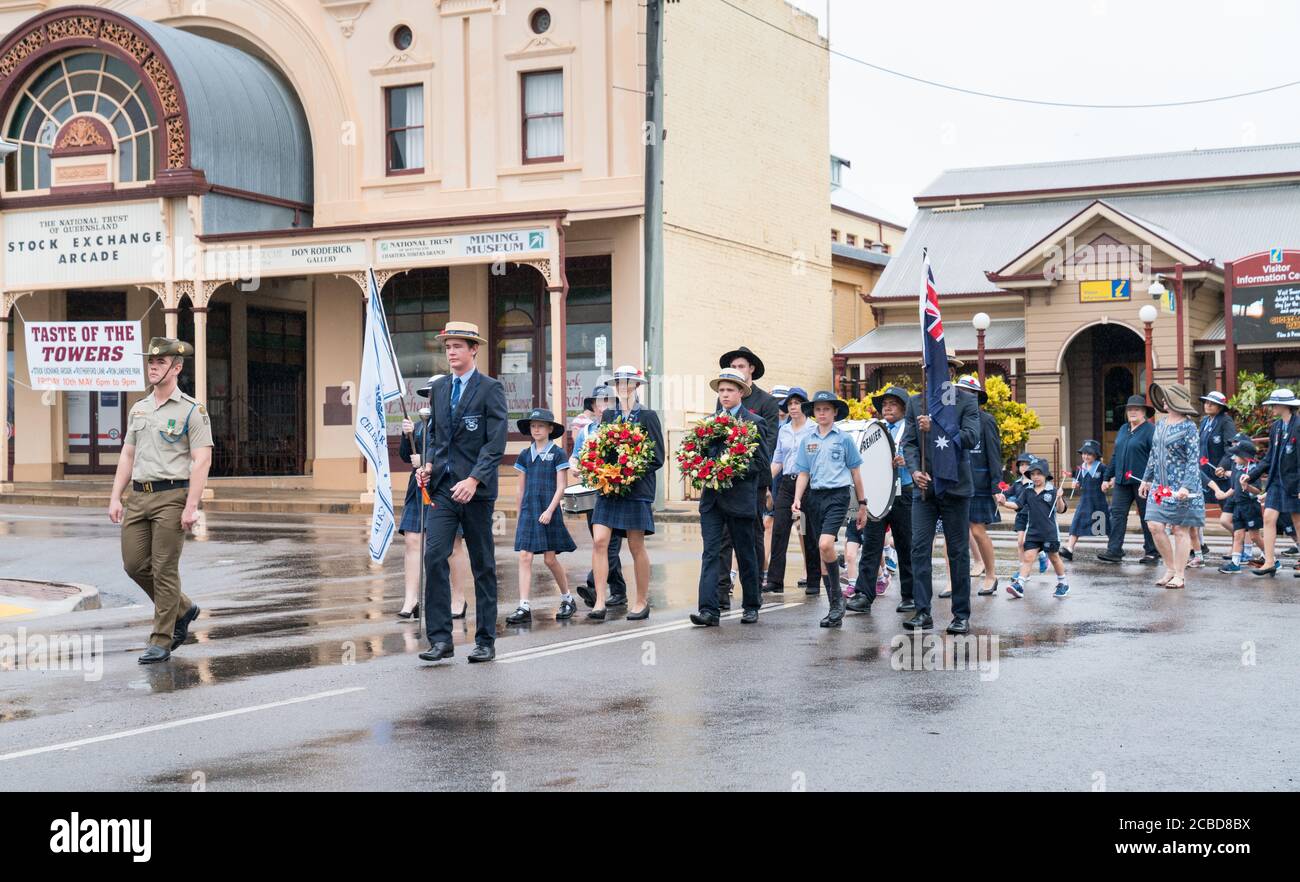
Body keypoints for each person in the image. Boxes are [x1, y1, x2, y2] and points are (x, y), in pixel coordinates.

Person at [109, 337, 213, 664]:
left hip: (172, 496)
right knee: (134, 564)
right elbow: (128, 454)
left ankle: (161, 639)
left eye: (160, 363)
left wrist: (191, 506)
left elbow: (202, 460)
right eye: (150, 363)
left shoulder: (192, 410)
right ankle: (183, 609)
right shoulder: (139, 408)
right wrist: (116, 496)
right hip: (139, 497)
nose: (153, 367)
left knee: (164, 568)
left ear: (176, 367)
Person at [415, 321, 508, 664]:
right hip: (442, 490)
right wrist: (427, 465)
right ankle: (441, 640)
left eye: (458, 346)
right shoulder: (439, 389)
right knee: (434, 556)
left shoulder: (490, 389)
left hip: (476, 493)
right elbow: (436, 438)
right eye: (447, 346)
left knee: (482, 564)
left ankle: (485, 640)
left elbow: (495, 443)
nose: (451, 352)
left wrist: (474, 480)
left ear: (473, 350)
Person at [899, 359, 982, 634]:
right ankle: (923, 612)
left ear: (952, 372)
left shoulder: (966, 401)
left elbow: (971, 437)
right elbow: (909, 443)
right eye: (930, 367)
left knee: (957, 552)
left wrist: (935, 427)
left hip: (955, 487)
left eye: (943, 367)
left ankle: (960, 615)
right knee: (919, 549)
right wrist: (913, 471)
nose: (934, 372)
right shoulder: (915, 403)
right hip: (924, 489)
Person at [691, 369, 771, 626]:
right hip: (712, 500)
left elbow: (761, 463)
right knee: (711, 553)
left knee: (746, 552)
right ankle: (708, 610)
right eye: (721, 390)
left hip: (741, 499)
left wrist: (730, 468)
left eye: (729, 390)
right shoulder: (708, 423)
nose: (724, 395)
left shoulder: (754, 422)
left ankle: (751, 605)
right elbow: (697, 455)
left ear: (740, 393)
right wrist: (701, 467)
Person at [588, 365, 665, 621]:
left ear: (637, 386)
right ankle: (599, 601)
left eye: (628, 382)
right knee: (600, 540)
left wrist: (629, 472)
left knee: (635, 545)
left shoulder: (648, 416)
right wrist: (599, 468)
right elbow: (600, 449)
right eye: (619, 382)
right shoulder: (608, 415)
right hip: (609, 488)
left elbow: (657, 457)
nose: (623, 386)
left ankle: (641, 601)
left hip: (636, 489)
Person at [790, 390, 868, 627]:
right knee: (822, 551)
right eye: (818, 409)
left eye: (826, 409)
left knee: (826, 544)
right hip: (814, 497)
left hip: (838, 496)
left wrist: (862, 504)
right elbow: (803, 472)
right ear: (813, 413)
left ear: (835, 412)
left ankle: (837, 600)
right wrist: (797, 499)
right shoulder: (808, 440)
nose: (822, 413)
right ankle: (835, 606)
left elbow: (855, 472)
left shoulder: (843, 439)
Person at [714, 346, 780, 610]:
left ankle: (753, 593)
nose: (737, 370)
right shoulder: (722, 402)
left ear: (751, 369)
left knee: (751, 538)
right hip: (724, 482)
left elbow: (769, 443)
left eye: (741, 366)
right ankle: (720, 594)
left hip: (754, 481)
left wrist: (759, 479)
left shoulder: (766, 402)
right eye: (733, 366)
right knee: (722, 538)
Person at [846, 385, 915, 614]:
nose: (887, 407)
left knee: (906, 544)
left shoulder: (911, 429)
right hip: (878, 493)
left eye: (893, 403)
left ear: (904, 408)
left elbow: (922, 455)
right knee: (872, 544)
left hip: (904, 491)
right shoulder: (875, 429)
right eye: (884, 404)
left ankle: (910, 595)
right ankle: (864, 595)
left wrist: (908, 461)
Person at [507, 408, 578, 624]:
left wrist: (549, 510)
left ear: (550, 429)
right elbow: (521, 489)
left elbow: (561, 487)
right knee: (525, 556)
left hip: (549, 511)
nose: (536, 429)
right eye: (533, 426)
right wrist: (520, 516)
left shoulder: (557, 453)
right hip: (529, 511)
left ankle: (567, 598)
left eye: (540, 425)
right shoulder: (524, 455)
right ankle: (524, 606)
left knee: (549, 559)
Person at [1140, 383, 1206, 590]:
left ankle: (1180, 574)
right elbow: (1153, 455)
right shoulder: (1160, 424)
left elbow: (1193, 460)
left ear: (1175, 402)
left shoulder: (1189, 427)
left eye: (1166, 398)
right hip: (1160, 485)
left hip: (1182, 487)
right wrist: (1145, 479)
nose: (1162, 401)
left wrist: (1186, 486)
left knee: (1180, 530)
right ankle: (1169, 568)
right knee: (1154, 525)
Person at [570, 384, 627, 607]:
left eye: (608, 401)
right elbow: (575, 457)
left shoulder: (621, 429)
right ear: (592, 406)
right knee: (600, 543)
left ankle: (593, 584)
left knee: (608, 544)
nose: (603, 406)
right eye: (599, 402)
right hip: (591, 493)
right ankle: (619, 591)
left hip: (615, 493)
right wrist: (575, 466)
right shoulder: (586, 431)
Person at [764, 387, 818, 595]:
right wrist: (765, 482)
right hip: (787, 483)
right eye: (790, 404)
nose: (793, 407)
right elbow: (778, 460)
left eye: (797, 403)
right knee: (779, 530)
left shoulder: (814, 429)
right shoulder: (784, 430)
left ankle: (813, 580)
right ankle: (775, 581)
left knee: (808, 531)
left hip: (809, 484)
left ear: (805, 406)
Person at [1243, 388, 1300, 577]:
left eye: (1274, 403)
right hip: (1276, 480)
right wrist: (1250, 475)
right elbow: (1268, 459)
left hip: (1294, 482)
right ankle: (1269, 561)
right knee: (1268, 517)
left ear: (1286, 405)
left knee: (1298, 522)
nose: (1272, 407)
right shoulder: (1276, 427)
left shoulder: (1298, 425)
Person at [1097, 394, 1159, 565]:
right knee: (1117, 515)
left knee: (1147, 517)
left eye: (1136, 409)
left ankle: (1152, 552)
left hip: (1143, 482)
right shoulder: (1124, 429)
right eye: (1129, 409)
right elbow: (1116, 455)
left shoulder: (1150, 430)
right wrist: (1107, 476)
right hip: (1122, 482)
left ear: (1144, 412)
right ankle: (1114, 550)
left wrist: (1150, 478)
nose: (1132, 412)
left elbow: (1156, 457)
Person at [956, 375, 1002, 596]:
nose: (965, 396)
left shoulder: (986, 420)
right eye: (961, 392)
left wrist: (996, 485)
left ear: (977, 397)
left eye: (969, 393)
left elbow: (994, 454)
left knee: (977, 529)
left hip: (980, 482)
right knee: (956, 531)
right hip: (956, 480)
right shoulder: (953, 419)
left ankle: (991, 574)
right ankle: (960, 576)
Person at [1002, 458, 1070, 598]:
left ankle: (1063, 583)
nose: (1035, 477)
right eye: (1032, 474)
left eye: (1039, 474)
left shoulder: (1053, 491)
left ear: (1045, 475)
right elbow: (1017, 505)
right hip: (1033, 532)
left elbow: (1061, 509)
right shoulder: (1027, 491)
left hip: (1049, 533)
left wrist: (1059, 498)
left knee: (1054, 558)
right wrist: (1004, 503)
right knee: (1028, 557)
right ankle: (1019, 585)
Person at [396, 381, 434, 620]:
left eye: (436, 393)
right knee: (412, 541)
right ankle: (411, 600)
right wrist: (406, 435)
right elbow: (405, 456)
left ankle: (454, 600)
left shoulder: (451, 423)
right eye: (429, 395)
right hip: (417, 486)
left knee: (445, 547)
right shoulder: (421, 426)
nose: (432, 398)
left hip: (442, 486)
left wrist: (429, 461)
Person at [1193, 391, 1237, 567]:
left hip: (1221, 473)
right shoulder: (1204, 422)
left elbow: (1231, 447)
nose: (1208, 405)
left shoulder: (1226, 422)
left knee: (1227, 511)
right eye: (1206, 402)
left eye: (1212, 403)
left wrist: (1224, 466)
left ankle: (1238, 543)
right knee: (1196, 510)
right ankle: (1199, 546)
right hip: (1203, 473)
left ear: (1220, 407)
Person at [1212, 440, 1264, 574]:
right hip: (1238, 505)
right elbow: (1234, 487)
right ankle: (1235, 564)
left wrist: (1248, 487)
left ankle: (1271, 558)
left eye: (1236, 455)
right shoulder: (1236, 468)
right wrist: (1224, 496)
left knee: (1254, 536)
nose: (1233, 458)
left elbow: (1258, 490)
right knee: (1238, 534)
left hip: (1250, 506)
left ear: (1246, 457)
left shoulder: (1253, 470)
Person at [1064, 440, 1109, 561]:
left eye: (1089, 454)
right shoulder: (1080, 469)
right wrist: (1076, 485)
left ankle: (1113, 548)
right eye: (1084, 453)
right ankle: (1069, 548)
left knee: (1108, 525)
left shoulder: (1102, 467)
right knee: (1077, 523)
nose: (1085, 456)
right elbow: (1079, 483)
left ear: (1095, 455)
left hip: (1099, 501)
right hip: (1085, 501)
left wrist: (1108, 484)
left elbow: (1109, 479)